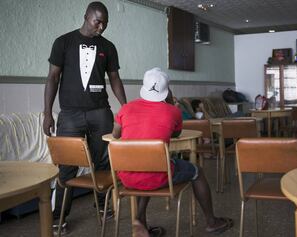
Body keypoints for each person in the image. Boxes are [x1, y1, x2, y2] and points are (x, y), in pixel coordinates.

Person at [113, 67, 233, 237]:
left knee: (145, 165)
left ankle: (139, 220)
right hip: (157, 175)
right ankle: (212, 222)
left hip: (126, 176)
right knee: (197, 172)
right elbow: (175, 133)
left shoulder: (126, 108)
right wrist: (169, 104)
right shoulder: (173, 111)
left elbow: (115, 134)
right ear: (167, 91)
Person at [42, 1, 127, 233]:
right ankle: (59, 217)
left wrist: (126, 107)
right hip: (70, 115)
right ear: (86, 16)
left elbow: (115, 79)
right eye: (97, 21)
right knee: (67, 167)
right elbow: (52, 78)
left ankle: (102, 206)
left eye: (105, 23)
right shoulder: (63, 42)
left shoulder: (108, 47)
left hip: (100, 113)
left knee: (102, 162)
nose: (101, 26)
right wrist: (48, 113)